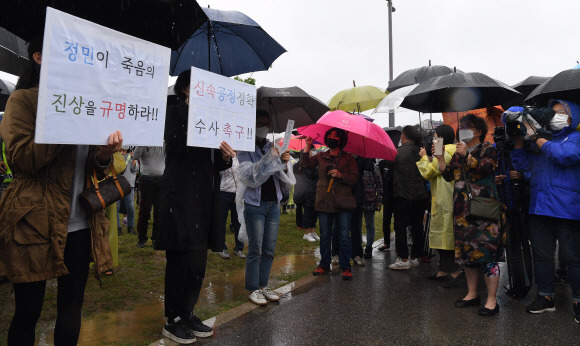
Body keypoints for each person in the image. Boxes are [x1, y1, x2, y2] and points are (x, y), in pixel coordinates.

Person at [0, 36, 120, 345]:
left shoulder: (87, 101)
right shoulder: (23, 100)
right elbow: (22, 160)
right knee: (28, 310)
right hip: (33, 221)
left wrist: (104, 155)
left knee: (72, 305)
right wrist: (63, 119)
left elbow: (91, 166)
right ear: (39, 58)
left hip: (80, 224)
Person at [153, 69, 235, 343]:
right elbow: (175, 143)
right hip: (180, 193)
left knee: (198, 260)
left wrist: (225, 156)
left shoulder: (214, 118)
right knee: (180, 257)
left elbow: (216, 161)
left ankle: (188, 312)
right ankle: (172, 318)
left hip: (205, 195)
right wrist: (197, 121)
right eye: (199, 87)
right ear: (185, 89)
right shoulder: (174, 112)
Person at [511, 100, 580, 324]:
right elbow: (522, 165)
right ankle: (545, 296)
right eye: (553, 112)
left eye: (561, 112)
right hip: (539, 207)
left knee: (572, 257)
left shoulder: (576, 138)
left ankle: (578, 300)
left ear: (573, 117)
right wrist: (521, 138)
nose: (554, 116)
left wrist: (536, 137)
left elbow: (564, 155)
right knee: (541, 255)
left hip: (567, 209)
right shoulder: (542, 140)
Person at [437, 114, 502, 317]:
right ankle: (472, 293)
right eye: (461, 126)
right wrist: (440, 159)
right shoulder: (458, 153)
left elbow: (486, 168)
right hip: (462, 211)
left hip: (483, 211)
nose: (463, 129)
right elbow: (448, 176)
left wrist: (466, 156)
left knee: (488, 254)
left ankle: (492, 300)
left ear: (478, 131)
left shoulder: (488, 148)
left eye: (468, 126)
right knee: (468, 254)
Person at [237, 110, 292, 306]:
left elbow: (279, 175)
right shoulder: (245, 148)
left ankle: (263, 285)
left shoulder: (272, 147)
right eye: (260, 123)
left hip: (273, 204)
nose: (264, 127)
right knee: (256, 248)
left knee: (269, 248)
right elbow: (250, 175)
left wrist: (284, 163)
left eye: (267, 123)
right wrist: (269, 159)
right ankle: (253, 288)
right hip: (255, 204)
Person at [302, 129, 359, 280]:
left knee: (344, 235)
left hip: (343, 201)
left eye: (335, 136)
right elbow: (305, 163)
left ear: (341, 140)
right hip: (324, 201)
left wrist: (340, 175)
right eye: (330, 136)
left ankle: (346, 266)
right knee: (325, 234)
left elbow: (354, 178)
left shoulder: (348, 158)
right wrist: (308, 146)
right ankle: (324, 264)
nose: (332, 138)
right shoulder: (321, 155)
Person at [417, 124, 462, 281]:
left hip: (444, 198)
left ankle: (453, 270)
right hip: (450, 196)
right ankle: (443, 270)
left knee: (444, 237)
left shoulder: (443, 151)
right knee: (445, 236)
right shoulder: (455, 149)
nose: (434, 138)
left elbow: (429, 172)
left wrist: (423, 157)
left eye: (436, 135)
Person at [389, 126, 428, 270]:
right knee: (417, 227)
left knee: (400, 227)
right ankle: (415, 257)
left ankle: (403, 257)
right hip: (420, 195)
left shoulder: (397, 153)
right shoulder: (422, 152)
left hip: (403, 195)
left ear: (403, 136)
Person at [133, 144, 165, 248]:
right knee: (145, 210)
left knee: (159, 211)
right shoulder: (143, 142)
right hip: (146, 179)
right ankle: (142, 238)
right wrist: (142, 143)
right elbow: (135, 156)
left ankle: (156, 238)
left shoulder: (163, 142)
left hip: (161, 179)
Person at [216, 156, 245, 259]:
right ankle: (221, 247)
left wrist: (240, 192)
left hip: (237, 193)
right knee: (221, 221)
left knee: (238, 222)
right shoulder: (223, 157)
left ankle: (239, 248)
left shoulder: (241, 158)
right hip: (224, 192)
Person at [294, 157, 320, 242]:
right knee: (307, 212)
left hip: (315, 190)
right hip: (306, 192)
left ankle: (312, 231)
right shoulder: (300, 166)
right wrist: (300, 167)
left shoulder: (315, 165)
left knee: (314, 213)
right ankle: (306, 233)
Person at [117, 146, 138, 236]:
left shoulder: (132, 155)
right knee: (116, 207)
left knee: (130, 208)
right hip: (117, 185)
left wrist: (133, 157)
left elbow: (135, 169)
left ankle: (130, 226)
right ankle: (118, 228)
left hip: (129, 185)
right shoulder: (116, 155)